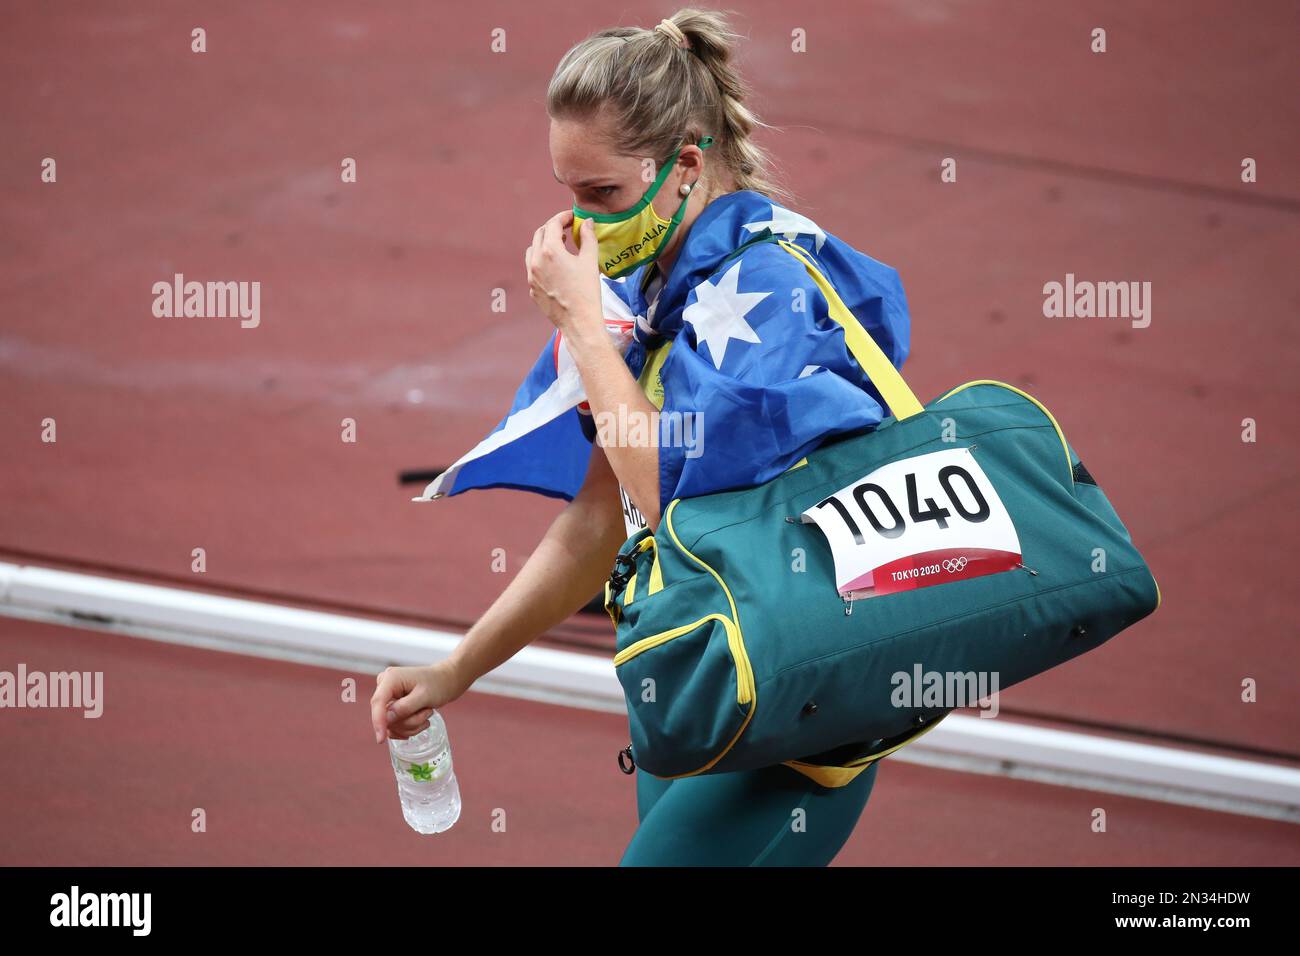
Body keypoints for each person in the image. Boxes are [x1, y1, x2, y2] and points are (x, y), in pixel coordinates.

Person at [372, 8, 914, 866]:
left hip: (792, 723)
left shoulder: (766, 291)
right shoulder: (654, 291)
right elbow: (602, 521)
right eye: (568, 193)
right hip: (697, 679)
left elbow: (670, 491)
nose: (581, 226)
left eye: (603, 196)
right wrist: (457, 669)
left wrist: (586, 331)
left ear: (685, 166)